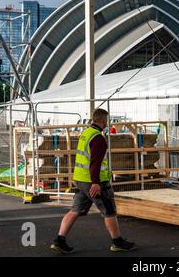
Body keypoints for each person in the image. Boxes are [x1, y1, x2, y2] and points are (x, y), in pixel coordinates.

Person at [51, 108, 136, 254]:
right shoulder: (98, 139)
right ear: (103, 121)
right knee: (109, 211)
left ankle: (60, 240)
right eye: (107, 121)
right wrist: (96, 182)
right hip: (95, 181)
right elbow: (95, 163)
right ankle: (117, 242)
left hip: (80, 179)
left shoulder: (85, 133)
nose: (107, 123)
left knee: (75, 210)